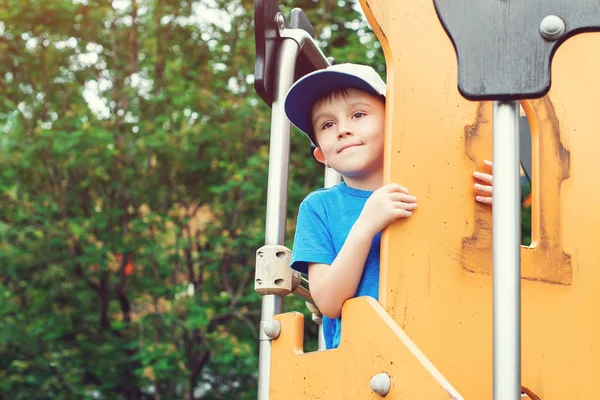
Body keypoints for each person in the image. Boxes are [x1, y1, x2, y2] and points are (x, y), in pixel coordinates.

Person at [284, 63, 492, 349]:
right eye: (327, 124)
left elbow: (478, 263)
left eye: (358, 114)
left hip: (446, 346)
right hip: (365, 360)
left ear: (393, 122)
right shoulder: (319, 207)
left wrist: (498, 207)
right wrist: (365, 226)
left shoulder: (438, 187)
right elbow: (329, 302)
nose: (343, 130)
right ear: (322, 156)